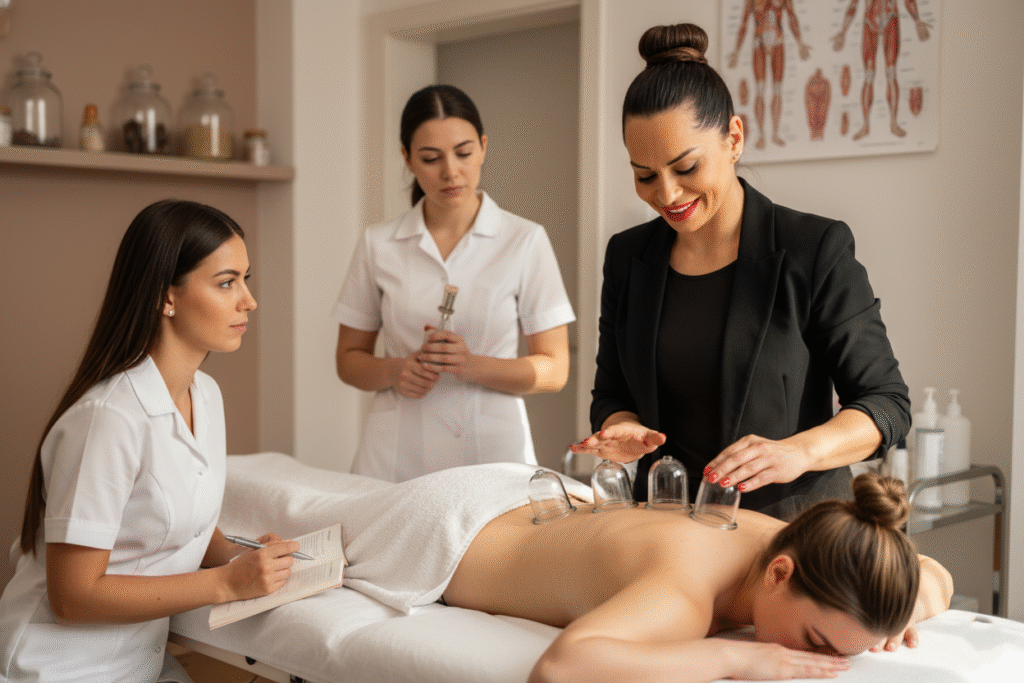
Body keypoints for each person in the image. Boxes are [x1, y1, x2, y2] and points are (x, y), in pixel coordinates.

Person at [570, 23, 910, 519]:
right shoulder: (628, 256)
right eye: (645, 175)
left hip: (789, 531)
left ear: (734, 137)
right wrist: (623, 426)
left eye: (686, 168)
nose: (666, 194)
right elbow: (612, 393)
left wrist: (799, 452)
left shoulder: (812, 249)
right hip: (669, 530)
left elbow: (887, 404)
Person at [0, 200, 300, 682]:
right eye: (227, 283)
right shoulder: (109, 418)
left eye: (246, 280)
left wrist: (235, 555)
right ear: (166, 297)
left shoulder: (205, 394)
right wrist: (225, 583)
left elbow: (181, 520)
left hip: (140, 662)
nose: (249, 301)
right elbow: (73, 596)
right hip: (58, 668)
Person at [334, 84, 576, 482]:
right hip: (396, 454)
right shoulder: (379, 243)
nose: (450, 172)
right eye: (431, 158)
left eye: (463, 153)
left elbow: (554, 369)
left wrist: (472, 366)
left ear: (483, 147)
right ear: (407, 158)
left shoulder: (524, 240)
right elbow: (348, 360)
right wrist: (395, 372)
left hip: (493, 452)